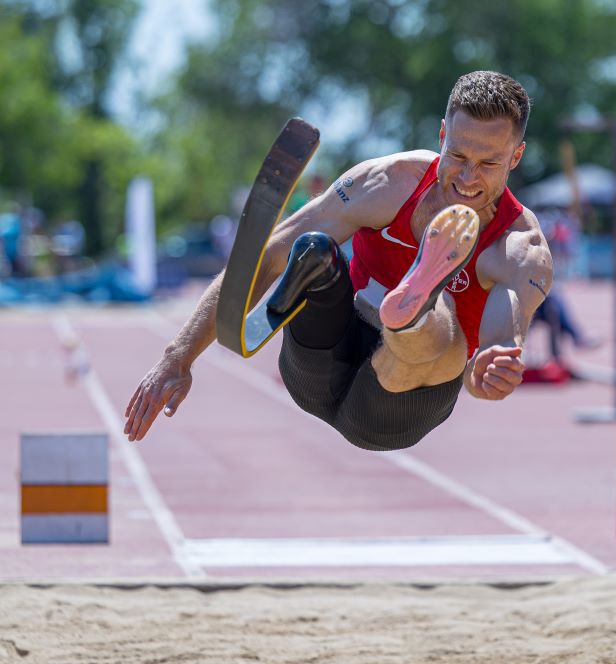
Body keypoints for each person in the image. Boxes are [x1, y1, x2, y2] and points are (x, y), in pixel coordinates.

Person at [124, 71, 552, 450]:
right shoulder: (385, 183)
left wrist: (490, 376)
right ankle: (357, 285)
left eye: (488, 163)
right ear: (442, 135)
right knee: (309, 247)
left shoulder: (519, 250)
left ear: (515, 157)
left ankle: (416, 310)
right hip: (323, 363)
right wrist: (176, 358)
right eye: (458, 156)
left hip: (391, 406)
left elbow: (493, 355)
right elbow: (262, 258)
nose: (467, 177)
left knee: (445, 337)